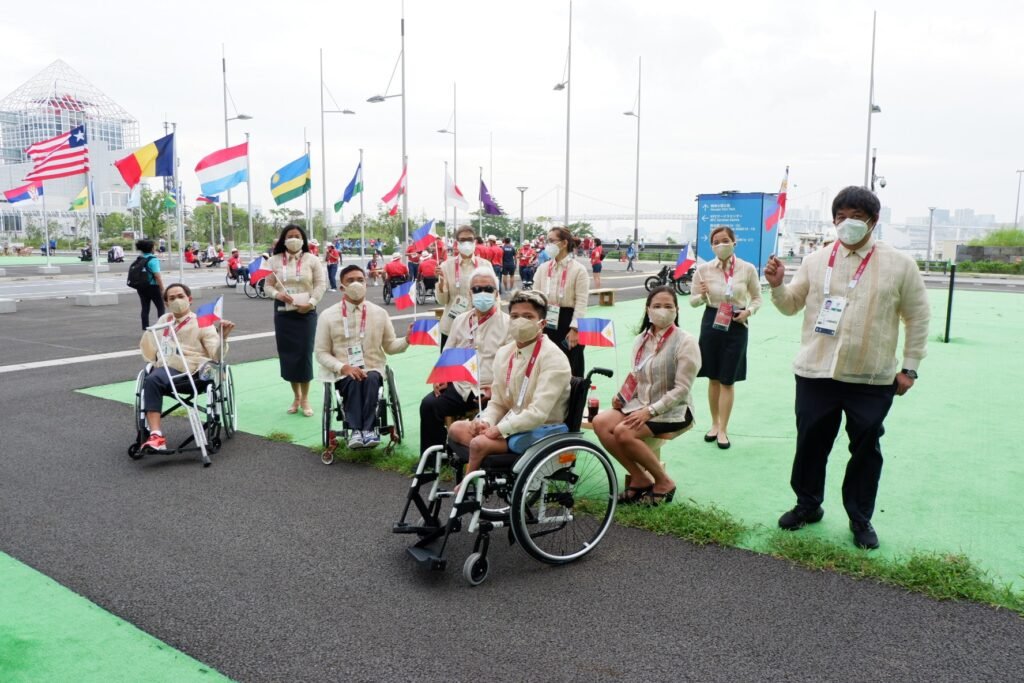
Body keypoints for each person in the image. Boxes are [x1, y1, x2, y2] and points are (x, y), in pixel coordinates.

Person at [764, 186, 930, 550]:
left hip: (871, 376)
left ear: (873, 221)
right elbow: (791, 305)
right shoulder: (815, 260)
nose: (847, 223)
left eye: (855, 217)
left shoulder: (900, 264)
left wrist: (910, 368)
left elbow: (917, 317)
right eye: (840, 217)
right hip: (815, 371)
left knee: (866, 449)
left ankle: (860, 518)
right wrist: (777, 286)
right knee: (810, 443)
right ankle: (808, 505)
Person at [593, 285, 699, 504]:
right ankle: (640, 478)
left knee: (623, 431)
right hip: (640, 404)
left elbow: (682, 390)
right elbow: (636, 376)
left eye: (668, 306)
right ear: (648, 309)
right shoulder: (641, 339)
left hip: (674, 410)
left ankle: (664, 481)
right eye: (657, 306)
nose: (662, 310)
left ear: (677, 310)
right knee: (600, 422)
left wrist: (649, 412)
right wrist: (621, 397)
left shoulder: (685, 341)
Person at [447, 290, 571, 474]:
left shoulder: (553, 358)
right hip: (509, 423)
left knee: (479, 442)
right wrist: (486, 423)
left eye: (528, 316)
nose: (520, 321)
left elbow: (538, 414)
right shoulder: (504, 353)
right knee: (456, 428)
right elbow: (498, 402)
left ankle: (468, 481)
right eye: (514, 316)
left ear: (542, 323)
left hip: (540, 428)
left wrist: (498, 430)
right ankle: (481, 452)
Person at [315, 265, 411, 449]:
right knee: (353, 379)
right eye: (350, 280)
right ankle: (357, 430)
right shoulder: (328, 316)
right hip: (343, 372)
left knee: (371, 377)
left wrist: (407, 339)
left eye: (360, 280)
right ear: (342, 286)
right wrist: (343, 367)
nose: (356, 284)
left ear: (366, 284)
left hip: (373, 369)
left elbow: (390, 346)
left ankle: (366, 430)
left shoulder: (379, 313)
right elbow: (321, 353)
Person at [419, 267, 510, 456]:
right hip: (461, 386)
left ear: (496, 292)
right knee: (429, 404)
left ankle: (473, 456)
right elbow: (449, 351)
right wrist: (442, 377)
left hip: (490, 389)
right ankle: (434, 459)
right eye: (477, 289)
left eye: (488, 289)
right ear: (469, 293)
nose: (482, 293)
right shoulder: (461, 320)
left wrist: (496, 389)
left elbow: (512, 366)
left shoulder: (507, 324)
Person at [689, 226, 763, 450]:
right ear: (711, 246)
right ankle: (714, 423)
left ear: (734, 242)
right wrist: (701, 295)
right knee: (713, 377)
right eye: (716, 241)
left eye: (725, 240)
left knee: (728, 379)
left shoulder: (747, 269)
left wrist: (748, 312)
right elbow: (692, 302)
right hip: (712, 320)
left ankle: (724, 429)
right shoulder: (703, 270)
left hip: (737, 322)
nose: (720, 245)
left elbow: (758, 298)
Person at [137, 283, 235, 451]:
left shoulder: (202, 322)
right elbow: (150, 344)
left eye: (181, 296)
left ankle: (156, 435)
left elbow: (215, 354)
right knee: (151, 377)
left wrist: (222, 338)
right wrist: (154, 360)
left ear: (189, 299)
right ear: (166, 303)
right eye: (172, 298)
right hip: (166, 369)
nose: (177, 301)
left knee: (154, 379)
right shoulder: (163, 320)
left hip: (193, 372)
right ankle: (156, 435)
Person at [264, 224, 327, 417]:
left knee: (303, 354)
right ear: (284, 239)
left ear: (303, 239)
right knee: (289, 354)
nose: (293, 238)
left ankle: (306, 398)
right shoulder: (273, 261)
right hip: (284, 312)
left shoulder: (312, 259)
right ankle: (296, 396)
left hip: (306, 312)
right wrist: (277, 294)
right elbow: (267, 285)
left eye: (297, 236)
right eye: (290, 236)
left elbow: (320, 284)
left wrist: (312, 302)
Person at [533, 227, 589, 377]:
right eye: (547, 241)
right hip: (546, 319)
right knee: (546, 365)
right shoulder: (542, 269)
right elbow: (535, 297)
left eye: (551, 241)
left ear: (564, 243)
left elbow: (582, 302)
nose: (547, 244)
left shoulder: (579, 270)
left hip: (568, 321)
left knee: (571, 366)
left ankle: (572, 399)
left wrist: (575, 329)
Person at [437, 226, 484, 349]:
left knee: (478, 366)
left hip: (479, 326)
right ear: (457, 243)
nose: (466, 243)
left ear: (475, 241)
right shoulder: (446, 266)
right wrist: (441, 283)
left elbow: (495, 297)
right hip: (452, 326)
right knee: (450, 366)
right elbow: (442, 301)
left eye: (470, 239)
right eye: (462, 240)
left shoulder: (485, 265)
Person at [134, 239, 164, 330]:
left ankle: (145, 328)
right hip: (153, 286)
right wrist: (162, 288)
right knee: (160, 307)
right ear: (151, 248)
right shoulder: (153, 260)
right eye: (154, 246)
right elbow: (157, 276)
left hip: (141, 286)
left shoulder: (140, 258)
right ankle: (162, 328)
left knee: (145, 308)